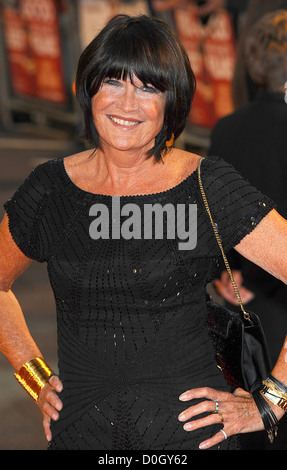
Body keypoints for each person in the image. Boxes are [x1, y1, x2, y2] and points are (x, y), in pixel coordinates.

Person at [0, 14, 286, 451]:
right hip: (80, 434)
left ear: (172, 102)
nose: (127, 104)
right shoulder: (49, 190)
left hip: (192, 441)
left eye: (149, 87)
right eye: (113, 82)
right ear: (89, 89)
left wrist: (271, 400)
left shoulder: (207, 185)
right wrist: (34, 376)